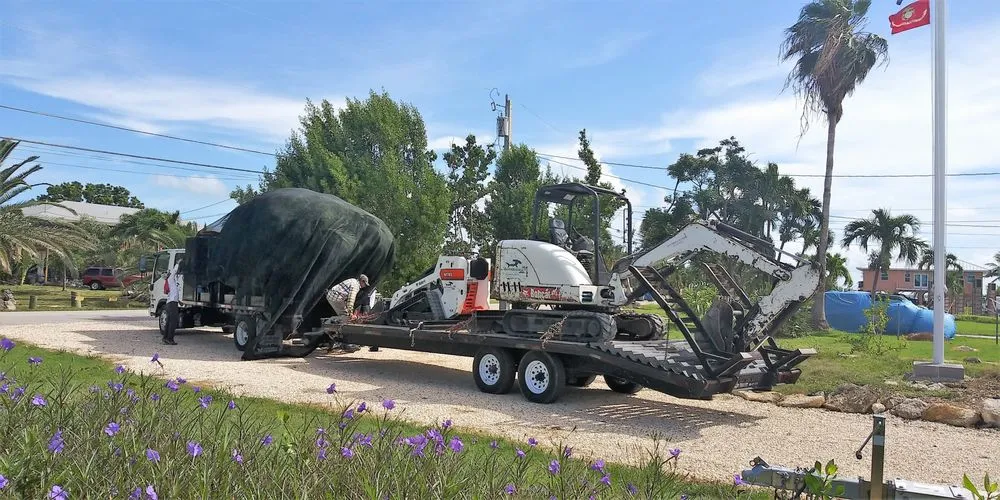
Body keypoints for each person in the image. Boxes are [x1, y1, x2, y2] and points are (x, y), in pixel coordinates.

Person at [163, 263, 180, 345]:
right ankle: (170, 339)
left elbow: (175, 293)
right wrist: (178, 264)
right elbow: (174, 272)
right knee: (173, 322)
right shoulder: (170, 280)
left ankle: (165, 338)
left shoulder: (172, 283)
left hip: (171, 303)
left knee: (169, 321)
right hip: (172, 304)